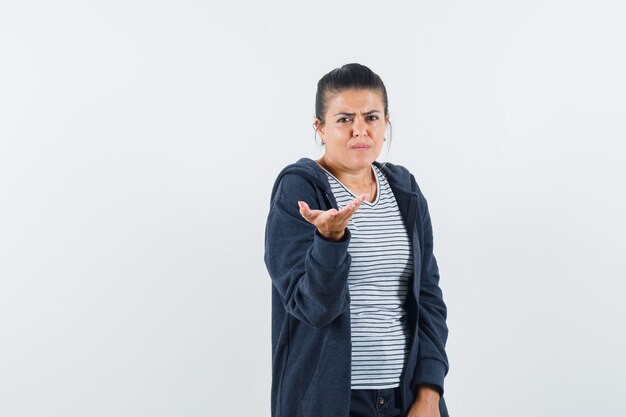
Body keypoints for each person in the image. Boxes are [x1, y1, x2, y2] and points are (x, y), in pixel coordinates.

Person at [264, 63, 450, 417]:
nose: (360, 130)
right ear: (320, 127)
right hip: (330, 402)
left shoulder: (405, 189)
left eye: (371, 117)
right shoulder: (300, 189)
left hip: (406, 398)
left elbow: (429, 299)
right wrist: (329, 242)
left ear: (386, 121)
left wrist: (429, 395)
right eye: (344, 119)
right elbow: (314, 309)